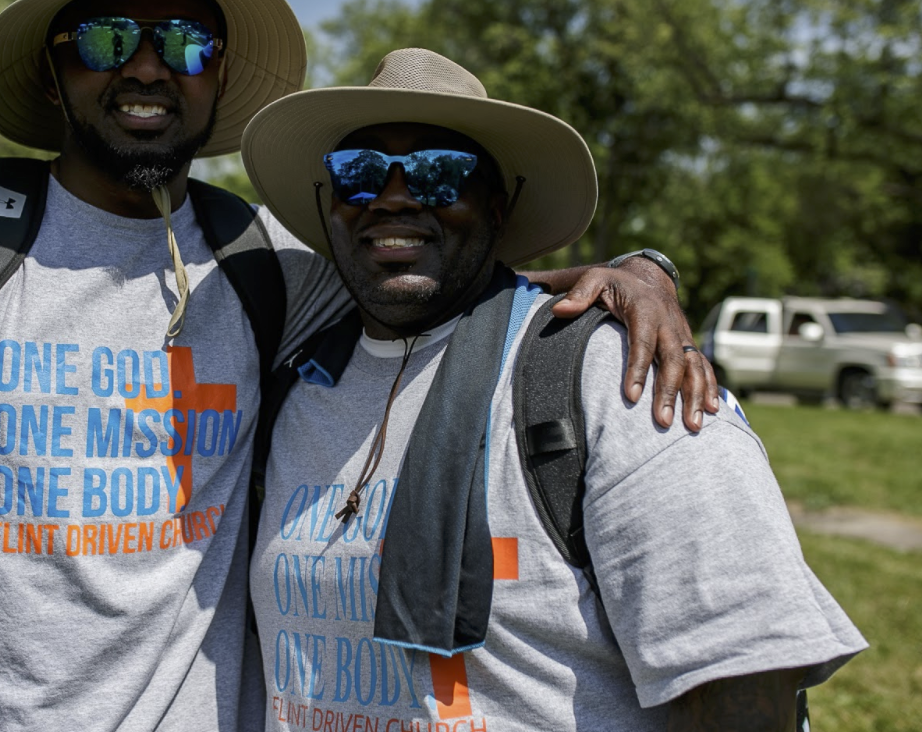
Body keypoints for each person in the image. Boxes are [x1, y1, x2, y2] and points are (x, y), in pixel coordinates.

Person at [0, 0, 710, 732]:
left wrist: (639, 272)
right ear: (56, 65)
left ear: (220, 78)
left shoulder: (267, 262)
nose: (149, 67)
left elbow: (440, 266)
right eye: (111, 37)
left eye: (188, 46)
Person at [242, 47, 867, 731]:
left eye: (440, 173)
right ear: (327, 206)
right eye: (358, 174)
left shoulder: (619, 376)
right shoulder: (293, 375)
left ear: (499, 208)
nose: (394, 196)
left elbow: (744, 680)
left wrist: (645, 273)